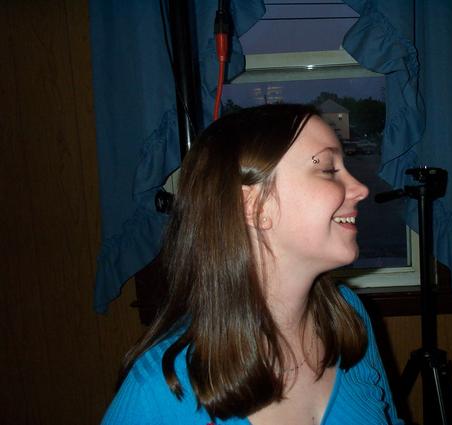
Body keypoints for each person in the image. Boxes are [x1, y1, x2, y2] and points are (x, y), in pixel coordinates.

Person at [102, 104, 404, 425]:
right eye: (328, 169)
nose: (360, 189)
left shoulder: (346, 317)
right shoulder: (157, 392)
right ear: (254, 206)